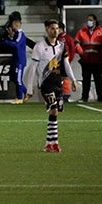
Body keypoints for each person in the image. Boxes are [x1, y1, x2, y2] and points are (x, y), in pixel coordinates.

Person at [34, 19, 78, 152]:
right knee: (53, 109)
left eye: (57, 28)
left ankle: (52, 142)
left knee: (55, 112)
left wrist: (73, 79)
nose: (55, 31)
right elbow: (34, 67)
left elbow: (66, 64)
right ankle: (51, 142)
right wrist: (32, 85)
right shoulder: (40, 46)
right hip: (46, 84)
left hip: (58, 83)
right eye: (52, 28)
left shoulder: (61, 47)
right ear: (47, 29)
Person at [74, 13, 102, 102]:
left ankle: (101, 97)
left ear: (95, 21)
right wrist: (81, 52)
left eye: (91, 20)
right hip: (85, 60)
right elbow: (76, 43)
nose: (89, 22)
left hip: (97, 60)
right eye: (88, 20)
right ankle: (84, 97)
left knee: (98, 80)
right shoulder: (82, 31)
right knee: (86, 80)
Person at [0, 12, 30, 103]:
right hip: (16, 59)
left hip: (19, 60)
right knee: (13, 78)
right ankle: (27, 92)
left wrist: (5, 41)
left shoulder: (20, 33)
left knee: (18, 79)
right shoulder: (16, 34)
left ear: (17, 24)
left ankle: (19, 98)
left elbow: (16, 44)